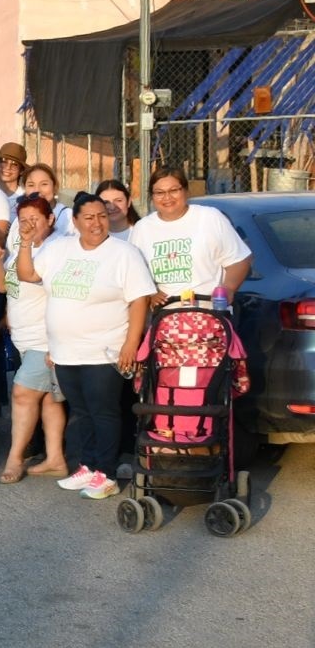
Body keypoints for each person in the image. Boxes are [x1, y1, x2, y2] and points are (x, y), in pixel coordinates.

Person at [16, 192, 156, 500]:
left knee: (103, 412)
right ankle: (89, 467)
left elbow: (138, 301)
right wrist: (25, 242)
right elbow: (27, 273)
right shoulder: (59, 249)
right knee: (81, 412)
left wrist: (131, 344)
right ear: (76, 221)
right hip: (66, 352)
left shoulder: (124, 253)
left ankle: (106, 474)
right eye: (89, 218)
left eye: (102, 216)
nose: (97, 223)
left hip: (103, 351)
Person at [0, 194, 67, 484]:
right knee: (48, 400)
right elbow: (3, 286)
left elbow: (31, 277)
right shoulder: (19, 247)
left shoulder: (54, 249)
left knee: (22, 394)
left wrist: (22, 244)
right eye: (23, 220)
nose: (29, 225)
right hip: (23, 339)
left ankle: (15, 458)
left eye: (36, 219)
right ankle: (56, 458)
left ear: (50, 220)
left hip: (45, 340)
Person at [128, 167, 252, 307]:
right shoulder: (142, 228)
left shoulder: (210, 217)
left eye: (174, 190)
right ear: (152, 196)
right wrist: (151, 293)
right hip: (164, 317)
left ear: (186, 191)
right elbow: (134, 274)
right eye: (159, 193)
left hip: (209, 314)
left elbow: (239, 260)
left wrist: (228, 289)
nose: (167, 197)